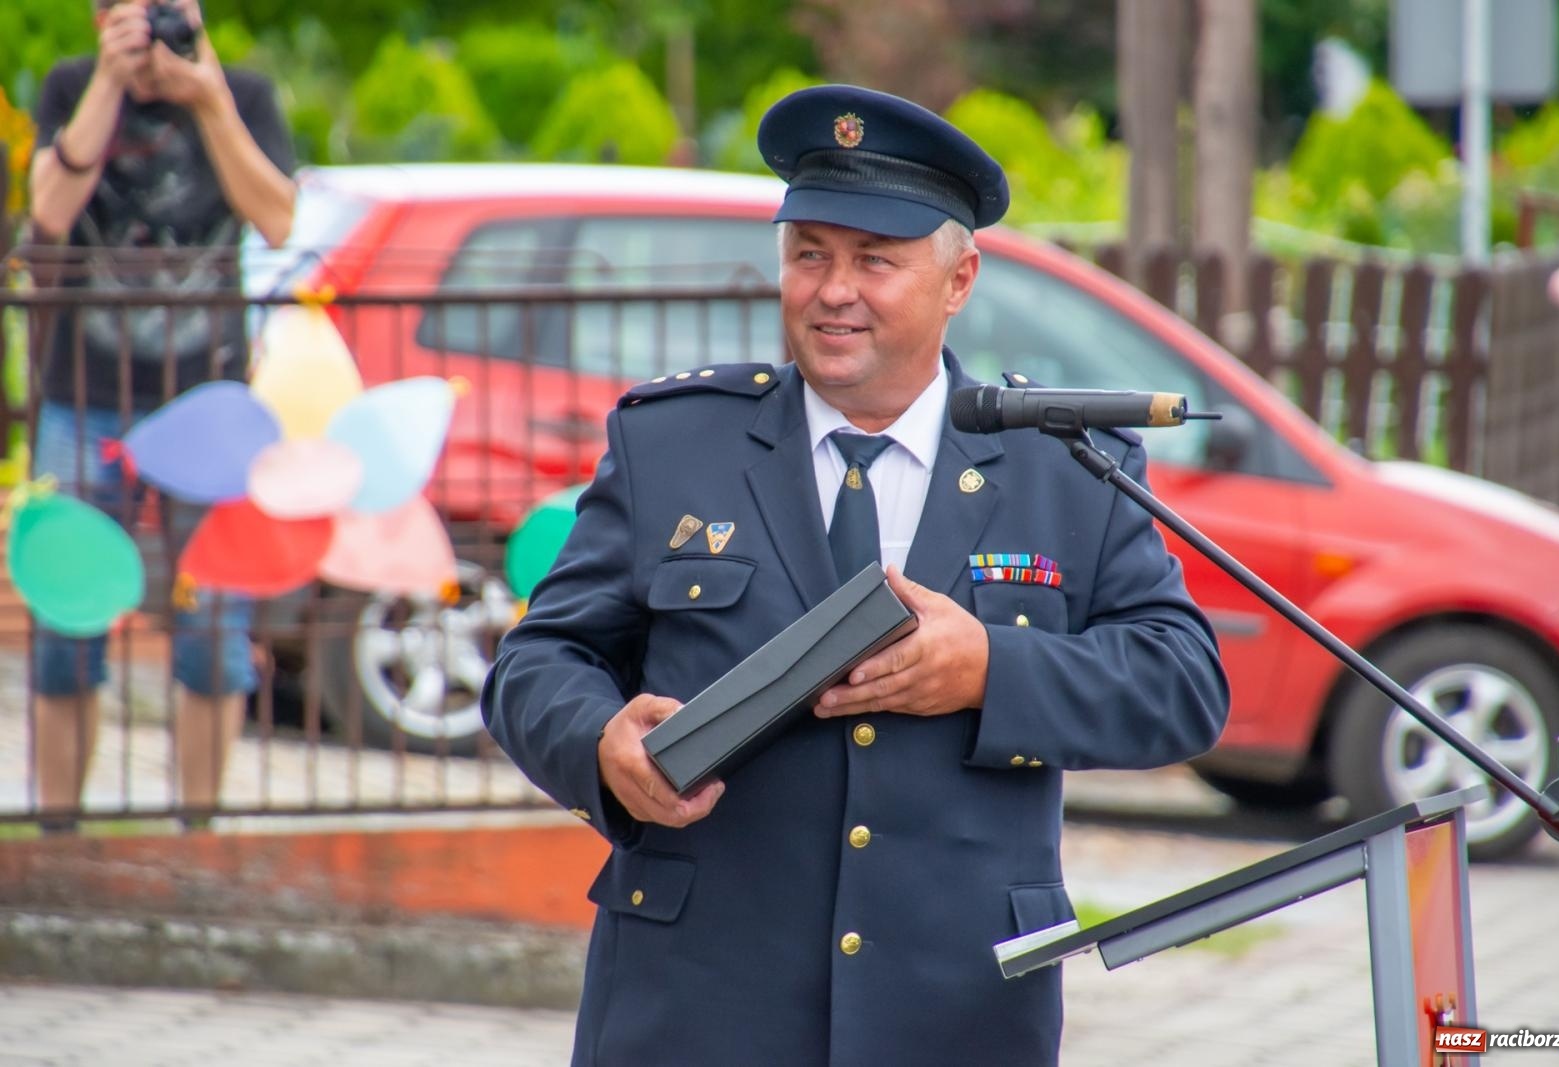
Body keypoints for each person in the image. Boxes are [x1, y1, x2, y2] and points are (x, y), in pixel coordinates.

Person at [481, 84, 1229, 1066]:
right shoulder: (676, 444)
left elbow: (1182, 683)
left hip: (953, 1007)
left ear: (959, 279)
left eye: (875, 260)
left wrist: (988, 669)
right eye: (809, 256)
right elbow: (539, 662)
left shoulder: (1065, 462)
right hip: (696, 1002)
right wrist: (600, 743)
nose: (834, 290)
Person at [27, 0, 295, 827]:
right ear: (99, 17)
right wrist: (109, 83)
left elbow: (278, 218)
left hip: (207, 403)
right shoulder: (73, 86)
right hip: (84, 393)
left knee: (213, 631)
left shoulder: (242, 95)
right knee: (65, 631)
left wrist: (206, 96)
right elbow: (47, 215)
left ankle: (199, 838)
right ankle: (61, 839)